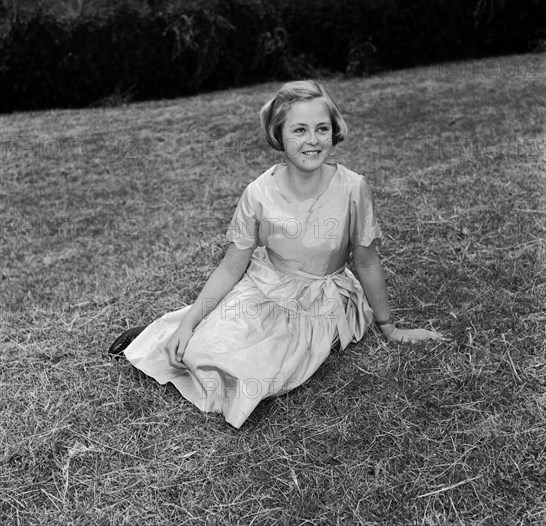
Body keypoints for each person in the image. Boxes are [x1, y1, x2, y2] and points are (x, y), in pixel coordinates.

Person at [109, 80, 444, 428]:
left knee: (250, 372)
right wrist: (192, 323)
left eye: (321, 128)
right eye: (299, 130)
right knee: (197, 350)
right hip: (264, 288)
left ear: (334, 131)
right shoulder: (258, 193)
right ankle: (169, 331)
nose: (312, 140)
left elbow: (367, 260)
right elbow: (229, 268)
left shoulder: (353, 188)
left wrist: (389, 327)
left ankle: (208, 347)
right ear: (279, 134)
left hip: (319, 303)